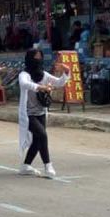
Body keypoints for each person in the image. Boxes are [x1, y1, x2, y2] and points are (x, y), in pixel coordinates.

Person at [17, 49, 69, 178]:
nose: (38, 59)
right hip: (28, 114)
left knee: (37, 140)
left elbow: (59, 82)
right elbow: (24, 84)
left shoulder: (44, 75)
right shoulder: (24, 74)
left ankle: (26, 165)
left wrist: (66, 71)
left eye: (40, 57)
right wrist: (40, 87)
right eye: (36, 57)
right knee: (42, 135)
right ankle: (48, 165)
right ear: (30, 58)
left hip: (41, 112)